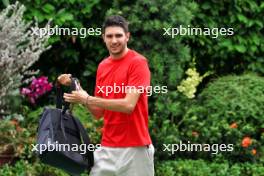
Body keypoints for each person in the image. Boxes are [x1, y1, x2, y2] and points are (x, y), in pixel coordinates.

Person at [58, 15, 154, 176]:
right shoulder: (103, 66)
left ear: (127, 37)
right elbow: (97, 112)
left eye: (118, 35)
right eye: (109, 36)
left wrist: (86, 99)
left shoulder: (138, 63)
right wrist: (77, 88)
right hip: (107, 148)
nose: (114, 40)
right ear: (103, 38)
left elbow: (128, 106)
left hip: (135, 149)